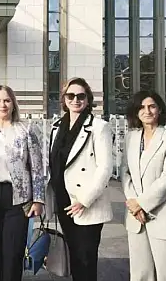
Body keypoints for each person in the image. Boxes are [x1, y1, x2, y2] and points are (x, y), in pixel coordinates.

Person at [0, 85, 45, 281]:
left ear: (13, 104)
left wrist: (38, 199)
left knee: (13, 255)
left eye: (7, 100)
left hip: (18, 200)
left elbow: (37, 168)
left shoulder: (26, 130)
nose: (2, 105)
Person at [45, 77, 113, 281]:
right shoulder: (57, 127)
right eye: (71, 96)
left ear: (88, 99)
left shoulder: (99, 127)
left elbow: (105, 168)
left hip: (85, 202)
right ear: (64, 99)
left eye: (81, 96)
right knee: (74, 256)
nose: (75, 100)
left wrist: (84, 200)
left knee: (86, 258)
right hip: (64, 201)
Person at [121, 90, 166, 281]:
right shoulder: (131, 138)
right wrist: (133, 203)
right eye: (141, 107)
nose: (147, 111)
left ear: (160, 110)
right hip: (135, 217)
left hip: (162, 214)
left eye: (152, 106)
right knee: (140, 275)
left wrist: (141, 204)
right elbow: (125, 172)